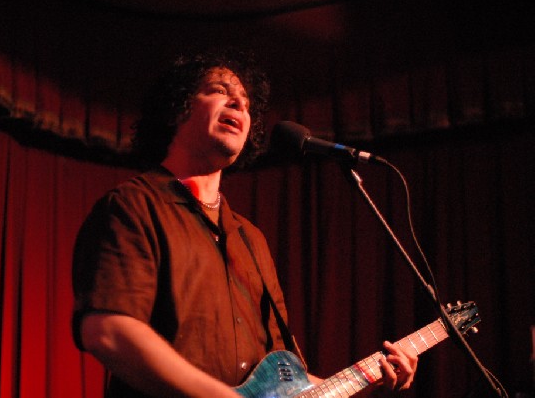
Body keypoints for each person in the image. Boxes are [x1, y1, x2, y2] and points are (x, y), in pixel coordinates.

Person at [71, 49, 418, 398]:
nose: (238, 102)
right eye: (219, 90)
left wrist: (369, 382)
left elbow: (286, 381)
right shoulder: (135, 206)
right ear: (179, 106)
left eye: (247, 104)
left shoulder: (251, 239)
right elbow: (107, 330)